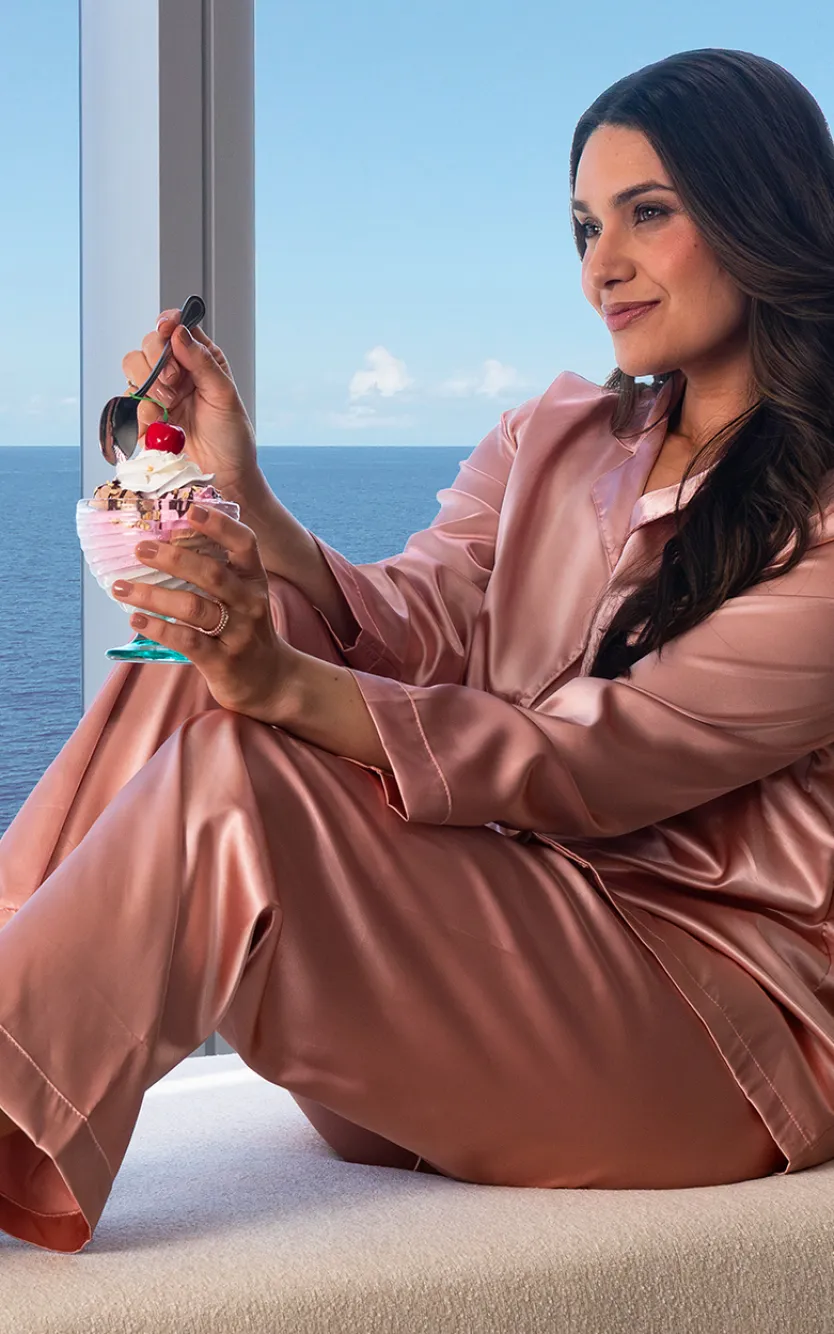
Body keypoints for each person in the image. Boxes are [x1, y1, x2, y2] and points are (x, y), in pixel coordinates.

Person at [12, 42, 834, 1254]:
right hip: (462, 986)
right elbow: (416, 623)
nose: (601, 265)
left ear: (763, 206)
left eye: (647, 214)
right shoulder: (551, 436)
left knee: (243, 763)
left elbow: (599, 761)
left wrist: (283, 684)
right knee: (199, 647)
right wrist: (254, 507)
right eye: (584, 227)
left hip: (696, 1042)